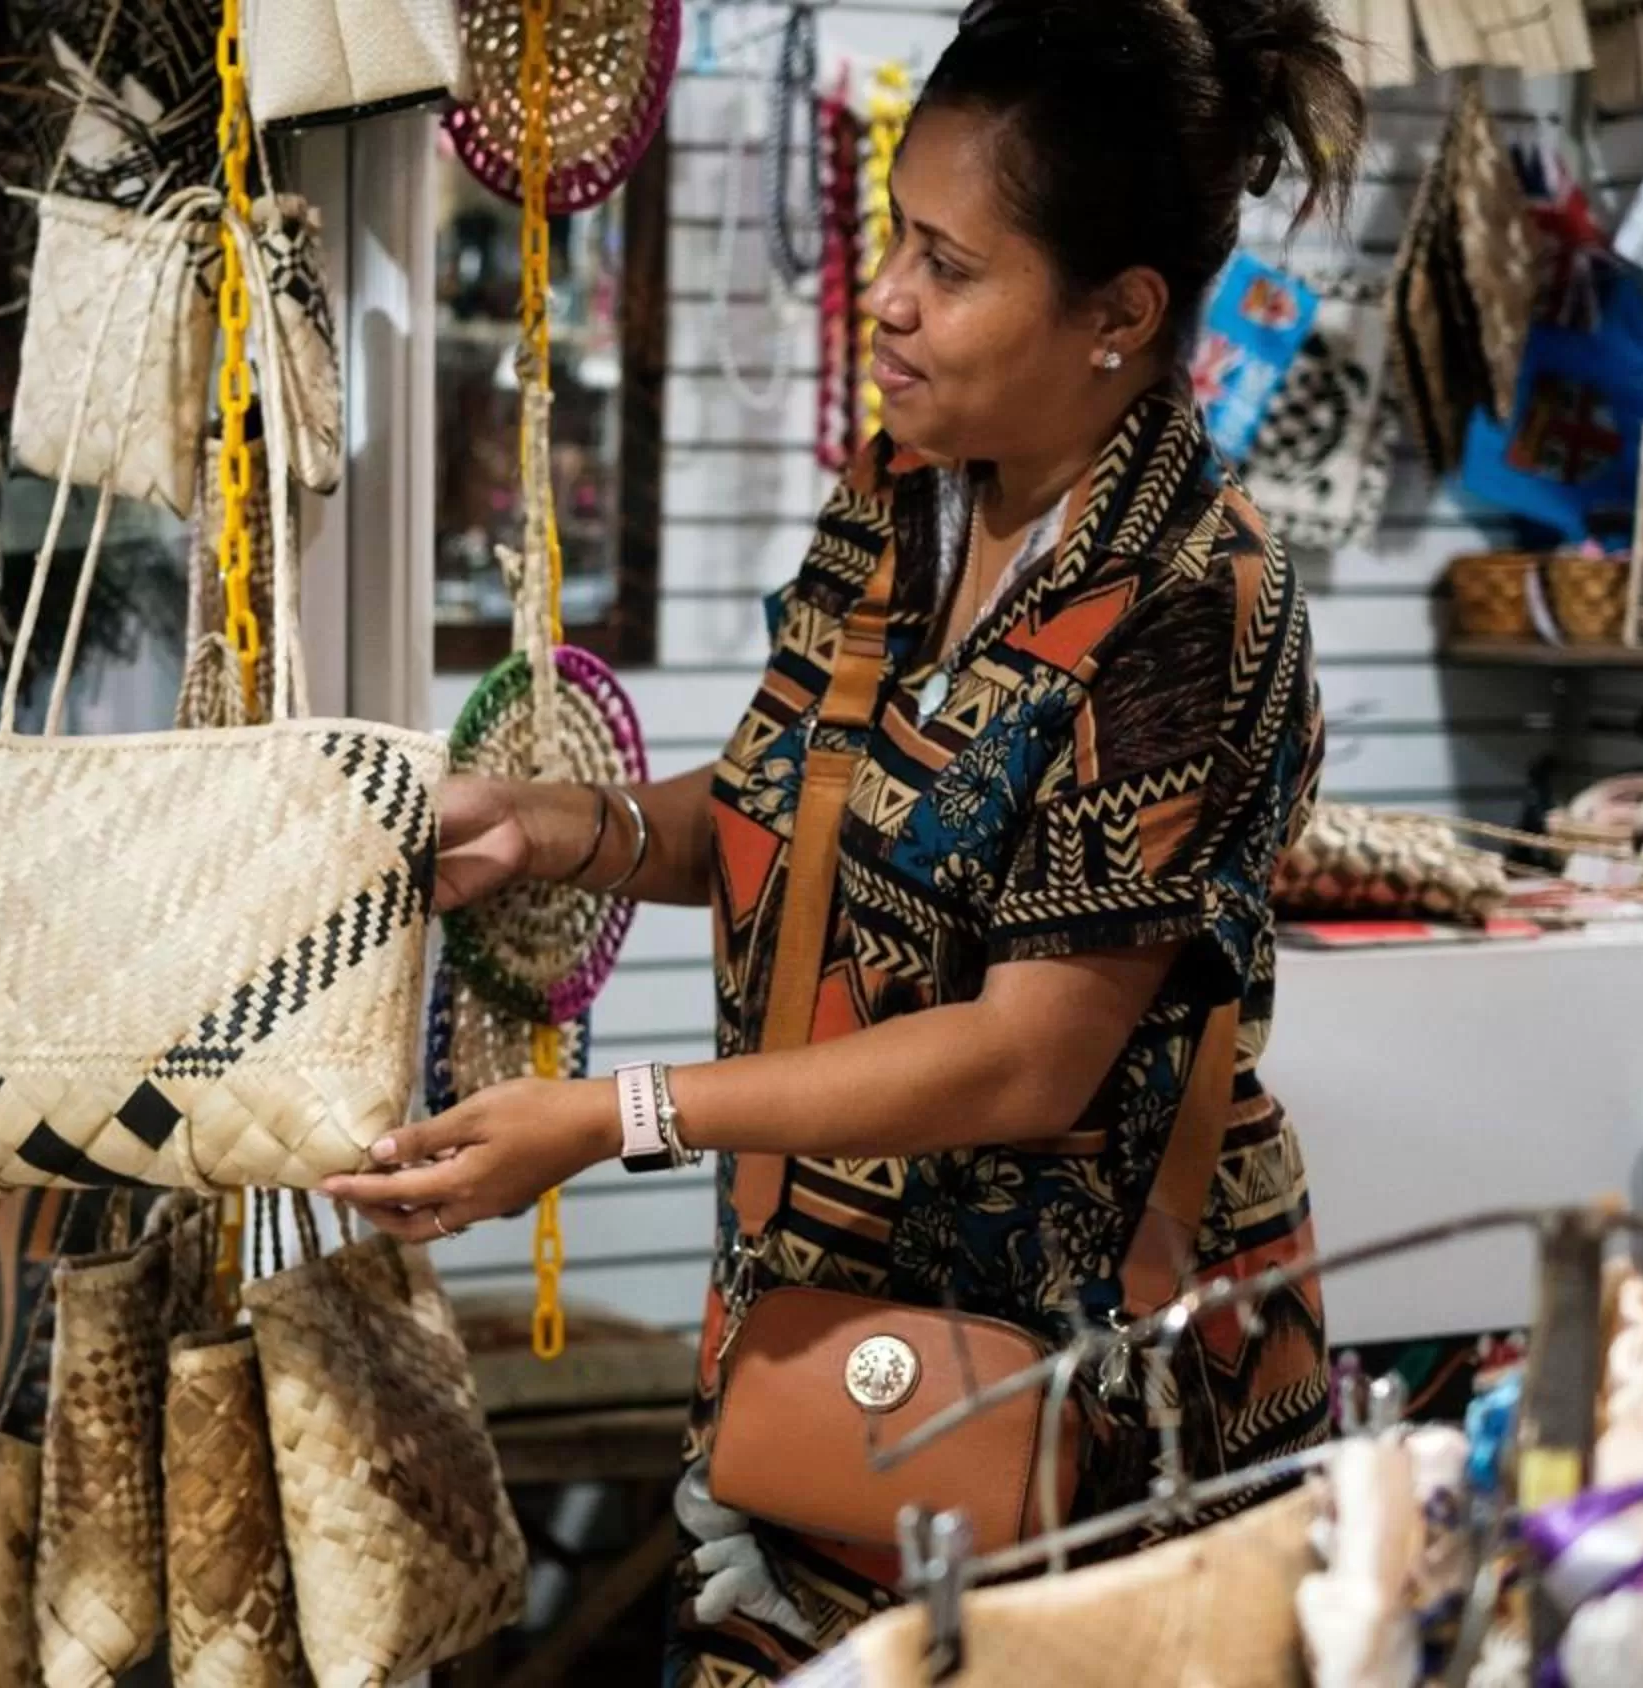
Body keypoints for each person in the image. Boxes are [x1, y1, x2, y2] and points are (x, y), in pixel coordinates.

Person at [331, 0, 1363, 1676]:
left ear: (1118, 316)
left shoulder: (1195, 605)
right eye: (895, 232)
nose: (888, 295)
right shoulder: (902, 496)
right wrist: (557, 828)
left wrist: (615, 1118)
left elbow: (1032, 1058)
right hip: (828, 1347)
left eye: (950, 267)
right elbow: (783, 823)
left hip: (1078, 1413)